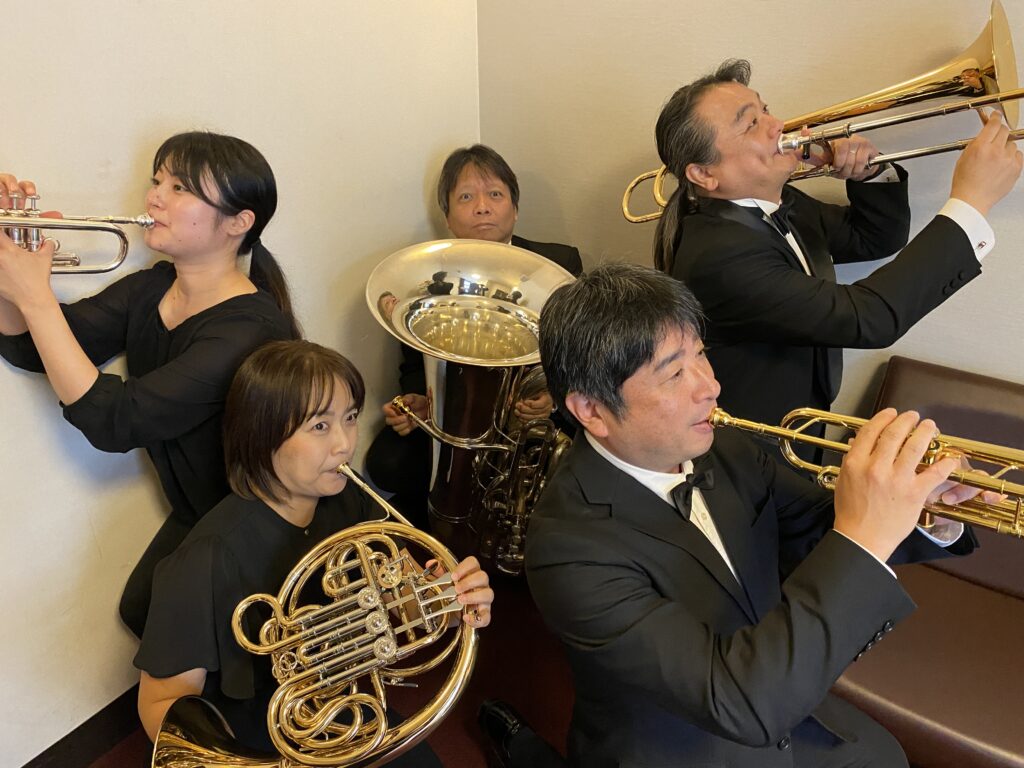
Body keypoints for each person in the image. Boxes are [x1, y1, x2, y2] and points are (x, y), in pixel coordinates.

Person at [508, 263, 989, 768]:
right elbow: (735, 701)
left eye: (701, 355)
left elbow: (816, 528)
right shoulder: (567, 548)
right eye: (674, 373)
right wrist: (866, 535)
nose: (710, 386)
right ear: (591, 410)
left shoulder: (725, 448)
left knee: (886, 758)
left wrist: (927, 509)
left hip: (780, 680)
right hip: (688, 741)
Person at [135, 339, 494, 760]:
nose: (344, 444)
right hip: (255, 734)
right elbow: (160, 704)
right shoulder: (205, 557)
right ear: (262, 435)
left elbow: (406, 604)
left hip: (338, 703)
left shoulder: (347, 499)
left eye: (350, 417)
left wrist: (450, 601)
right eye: (320, 426)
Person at [0, 134, 299, 637]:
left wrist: (35, 297)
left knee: (169, 626)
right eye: (157, 181)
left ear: (238, 222)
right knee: (143, 611)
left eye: (180, 188)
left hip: (262, 516)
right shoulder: (154, 286)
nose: (154, 197)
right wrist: (10, 263)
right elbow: (35, 349)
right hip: (199, 509)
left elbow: (117, 421)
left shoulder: (250, 327)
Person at [652, 59, 1022, 433]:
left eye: (765, 110)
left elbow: (873, 238)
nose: (777, 124)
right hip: (755, 446)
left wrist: (871, 172)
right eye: (751, 123)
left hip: (803, 421)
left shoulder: (779, 202)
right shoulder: (719, 257)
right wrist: (971, 202)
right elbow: (868, 318)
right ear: (704, 174)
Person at [365, 144, 582, 524]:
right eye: (466, 197)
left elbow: (581, 353)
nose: (482, 207)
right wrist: (420, 402)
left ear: (515, 208)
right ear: (448, 217)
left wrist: (553, 397)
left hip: (529, 412)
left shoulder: (560, 263)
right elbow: (413, 363)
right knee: (386, 464)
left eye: (495, 194)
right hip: (452, 413)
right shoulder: (426, 276)